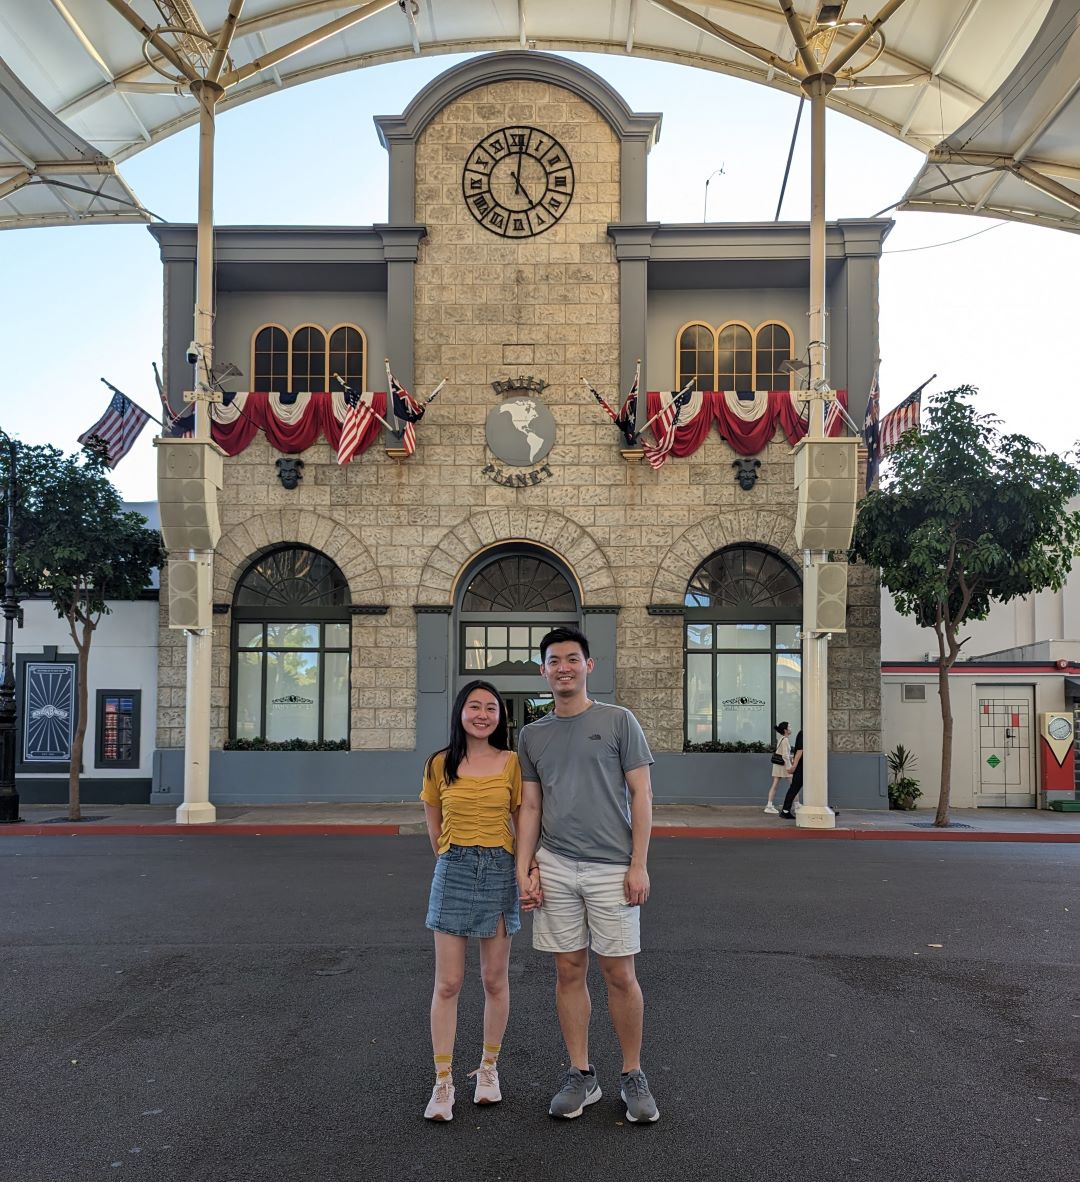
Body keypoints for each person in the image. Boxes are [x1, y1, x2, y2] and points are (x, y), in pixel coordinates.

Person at [515, 625, 660, 1124]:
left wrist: (638, 863)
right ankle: (581, 1074)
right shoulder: (532, 734)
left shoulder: (619, 722)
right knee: (567, 970)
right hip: (555, 866)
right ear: (543, 670)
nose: (563, 668)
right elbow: (531, 805)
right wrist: (524, 867)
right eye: (554, 661)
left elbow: (641, 796)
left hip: (611, 868)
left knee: (619, 973)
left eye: (572, 659)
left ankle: (632, 1074)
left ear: (588, 665)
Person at [420, 679, 526, 1122]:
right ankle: (442, 1082)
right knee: (448, 983)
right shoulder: (440, 763)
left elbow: (523, 821)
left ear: (500, 717)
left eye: (491, 708)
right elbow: (434, 826)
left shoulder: (513, 763)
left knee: (494, 980)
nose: (483, 714)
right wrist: (455, 860)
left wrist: (523, 872)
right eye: (474, 706)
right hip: (454, 869)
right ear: (460, 712)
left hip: (501, 870)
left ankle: (488, 1069)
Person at [764, 721, 792, 814]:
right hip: (784, 765)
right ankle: (797, 805)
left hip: (778, 764)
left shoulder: (781, 739)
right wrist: (789, 767)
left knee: (775, 784)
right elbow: (785, 755)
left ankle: (769, 805)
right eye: (789, 727)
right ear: (785, 730)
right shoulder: (785, 740)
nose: (790, 728)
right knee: (793, 785)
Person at [779, 728, 803, 819]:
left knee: (794, 787)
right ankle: (785, 810)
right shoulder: (804, 733)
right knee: (794, 787)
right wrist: (794, 766)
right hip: (802, 766)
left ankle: (786, 810)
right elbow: (800, 751)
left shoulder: (803, 733)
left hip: (804, 766)